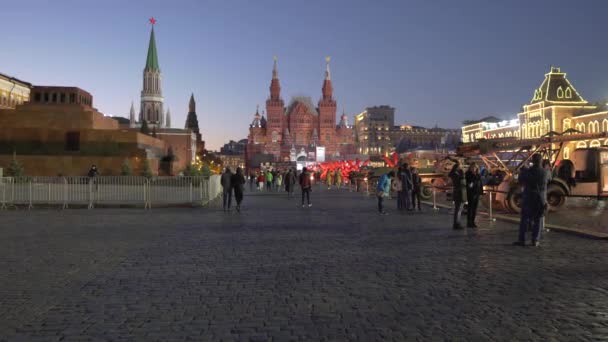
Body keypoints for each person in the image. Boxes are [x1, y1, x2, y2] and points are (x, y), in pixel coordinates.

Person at [514, 154, 549, 247]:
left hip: (528, 198)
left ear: (533, 161)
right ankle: (535, 240)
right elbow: (545, 186)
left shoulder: (528, 171)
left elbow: (521, 180)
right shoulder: (545, 172)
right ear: (541, 161)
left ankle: (522, 240)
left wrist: (523, 170)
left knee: (524, 219)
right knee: (538, 220)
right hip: (540, 199)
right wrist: (545, 200)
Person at [449, 162, 466, 229]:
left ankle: (457, 223)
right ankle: (456, 223)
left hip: (458, 192)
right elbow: (461, 181)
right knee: (458, 209)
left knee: (459, 209)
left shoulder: (455, 174)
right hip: (458, 192)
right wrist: (462, 174)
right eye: (460, 166)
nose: (461, 168)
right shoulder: (456, 174)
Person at [465, 162, 483, 228]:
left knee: (475, 208)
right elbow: (467, 183)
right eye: (473, 167)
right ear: (470, 167)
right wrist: (469, 184)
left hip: (477, 193)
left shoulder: (478, 174)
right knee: (470, 208)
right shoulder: (468, 174)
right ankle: (469, 222)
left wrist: (481, 192)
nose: (474, 168)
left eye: (475, 167)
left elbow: (480, 184)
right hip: (471, 193)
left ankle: (473, 222)